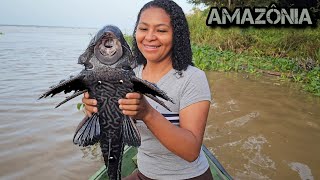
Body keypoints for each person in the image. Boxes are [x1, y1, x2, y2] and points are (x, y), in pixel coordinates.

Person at [83, 0, 213, 179]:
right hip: (145, 173)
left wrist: (148, 113)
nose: (150, 37)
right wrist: (94, 110)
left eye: (161, 30)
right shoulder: (131, 73)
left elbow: (191, 152)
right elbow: (112, 125)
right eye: (143, 29)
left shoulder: (192, 78)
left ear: (177, 35)